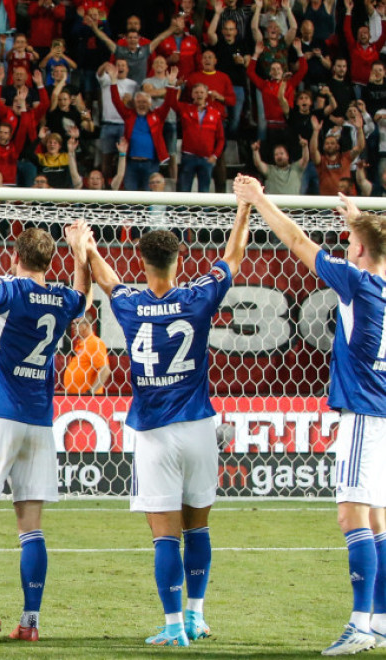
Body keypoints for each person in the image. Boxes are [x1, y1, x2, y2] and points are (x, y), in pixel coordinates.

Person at [84, 200, 251, 647]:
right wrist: (244, 209)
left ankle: (175, 625)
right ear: (179, 261)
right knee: (198, 529)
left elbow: (105, 279)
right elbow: (233, 257)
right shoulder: (197, 296)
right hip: (199, 428)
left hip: (155, 434)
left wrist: (85, 244)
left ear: (143, 261)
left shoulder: (131, 304)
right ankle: (197, 616)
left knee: (164, 539)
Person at [235, 176, 386, 655]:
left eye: (350, 245)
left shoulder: (357, 283)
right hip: (383, 414)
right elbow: (371, 245)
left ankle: (361, 623)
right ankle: (379, 620)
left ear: (358, 252)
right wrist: (357, 220)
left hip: (364, 412)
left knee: (351, 515)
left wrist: (259, 200)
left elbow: (298, 242)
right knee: (378, 519)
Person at [0, 224, 92, 644]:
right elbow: (83, 298)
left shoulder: (10, 290)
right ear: (51, 261)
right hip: (39, 421)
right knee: (31, 527)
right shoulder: (64, 298)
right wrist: (80, 254)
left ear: (16, 256)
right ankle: (30, 622)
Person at [62, 317, 111, 395]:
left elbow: (105, 370)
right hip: (75, 397)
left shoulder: (94, 343)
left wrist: (91, 392)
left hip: (87, 399)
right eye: (72, 324)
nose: (73, 327)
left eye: (77, 323)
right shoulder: (80, 344)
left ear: (87, 325)